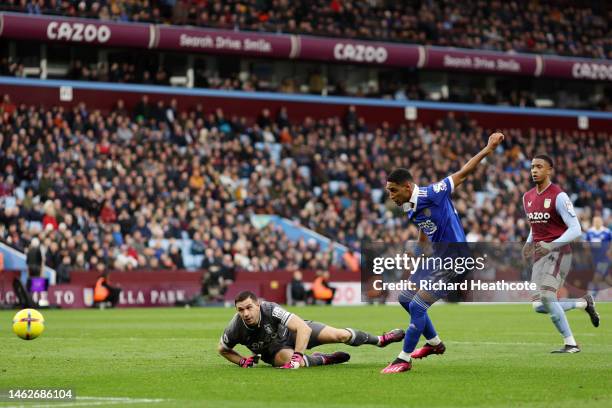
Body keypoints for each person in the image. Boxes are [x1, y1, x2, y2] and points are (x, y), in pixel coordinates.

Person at [381, 132, 504, 374]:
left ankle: (403, 359)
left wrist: (487, 149)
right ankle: (435, 343)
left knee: (417, 306)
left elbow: (463, 173)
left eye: (394, 191)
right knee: (405, 298)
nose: (391, 196)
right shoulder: (409, 208)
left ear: (407, 187)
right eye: (388, 191)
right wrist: (417, 255)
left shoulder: (433, 193)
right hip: (436, 258)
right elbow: (424, 232)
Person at [522, 154, 600, 353]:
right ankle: (583, 303)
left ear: (549, 170)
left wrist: (551, 245)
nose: (534, 170)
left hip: (559, 253)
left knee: (548, 297)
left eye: (539, 167)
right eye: (532, 167)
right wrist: (528, 242)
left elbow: (576, 229)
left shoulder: (559, 196)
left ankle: (571, 344)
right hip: (540, 256)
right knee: (539, 305)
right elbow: (535, 224)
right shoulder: (527, 197)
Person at [218, 291, 404, 369]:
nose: (245, 313)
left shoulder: (270, 308)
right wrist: (241, 361)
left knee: (341, 334)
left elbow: (302, 328)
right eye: (241, 310)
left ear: (257, 305)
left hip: (293, 333)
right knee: (291, 363)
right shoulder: (235, 327)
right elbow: (222, 349)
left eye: (249, 307)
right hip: (274, 352)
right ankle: (325, 358)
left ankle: (380, 340)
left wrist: (297, 355)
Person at [584, 215, 611, 297]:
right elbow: (586, 243)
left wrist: (610, 251)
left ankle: (592, 297)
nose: (597, 222)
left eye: (598, 221)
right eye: (595, 221)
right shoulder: (590, 232)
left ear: (602, 222)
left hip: (604, 258)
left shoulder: (607, 231)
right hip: (595, 259)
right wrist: (587, 252)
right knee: (607, 278)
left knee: (597, 277)